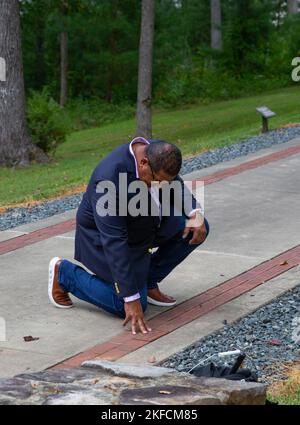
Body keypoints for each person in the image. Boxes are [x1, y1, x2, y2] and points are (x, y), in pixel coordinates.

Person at [48, 137, 209, 335]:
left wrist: (194, 212)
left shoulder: (157, 152)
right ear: (143, 164)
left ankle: (147, 281)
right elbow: (115, 241)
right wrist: (130, 298)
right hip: (105, 240)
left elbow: (175, 182)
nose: (160, 186)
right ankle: (65, 274)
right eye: (156, 181)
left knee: (198, 228)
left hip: (147, 225)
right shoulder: (108, 180)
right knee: (124, 303)